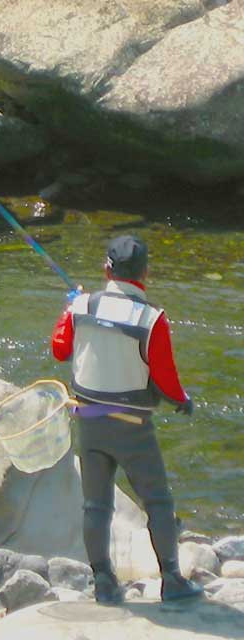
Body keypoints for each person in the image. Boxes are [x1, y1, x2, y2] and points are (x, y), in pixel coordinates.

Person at [51, 234, 203, 604]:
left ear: (107, 268)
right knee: (158, 502)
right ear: (145, 272)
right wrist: (183, 401)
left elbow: (59, 350)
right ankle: (172, 580)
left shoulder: (83, 306)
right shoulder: (152, 319)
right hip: (133, 427)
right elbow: (166, 379)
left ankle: (103, 581)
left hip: (88, 421)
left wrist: (70, 310)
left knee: (96, 505)